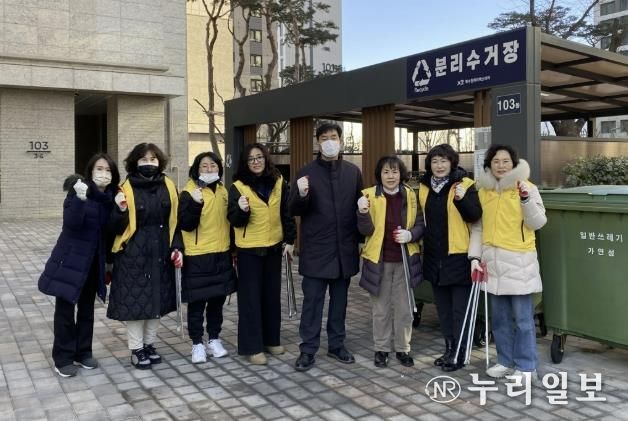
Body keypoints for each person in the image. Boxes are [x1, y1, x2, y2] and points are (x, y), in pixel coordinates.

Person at [289, 122, 363, 372]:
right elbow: (293, 209)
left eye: (333, 137)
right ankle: (308, 349)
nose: (329, 141)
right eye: (324, 138)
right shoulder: (305, 173)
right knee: (313, 302)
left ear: (340, 141)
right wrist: (301, 194)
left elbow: (360, 208)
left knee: (339, 302)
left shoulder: (353, 172)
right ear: (317, 142)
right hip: (316, 250)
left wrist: (360, 241)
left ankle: (336, 344)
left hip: (344, 250)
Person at [469, 144, 547, 381]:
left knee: (523, 320)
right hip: (491, 262)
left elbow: (538, 222)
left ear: (513, 164)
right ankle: (505, 361)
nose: (501, 166)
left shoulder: (527, 188)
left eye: (505, 161)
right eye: (496, 161)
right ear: (489, 165)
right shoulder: (484, 191)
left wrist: (525, 200)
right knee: (499, 319)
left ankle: (527, 367)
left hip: (518, 262)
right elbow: (478, 227)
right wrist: (474, 257)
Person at [39, 153, 120, 377]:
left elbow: (110, 233)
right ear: (90, 171)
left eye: (108, 170)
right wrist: (80, 200)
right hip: (70, 260)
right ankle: (63, 357)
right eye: (99, 169)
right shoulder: (78, 191)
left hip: (94, 263)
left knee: (87, 310)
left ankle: (83, 352)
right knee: (65, 310)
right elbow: (72, 223)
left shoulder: (111, 198)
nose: (103, 174)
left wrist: (109, 262)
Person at [107, 143, 183, 370]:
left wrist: (177, 247)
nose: (148, 163)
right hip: (133, 256)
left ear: (159, 162)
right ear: (134, 162)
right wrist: (119, 210)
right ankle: (136, 348)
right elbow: (115, 228)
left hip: (161, 253)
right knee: (136, 304)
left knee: (156, 301)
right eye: (143, 159)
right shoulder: (124, 189)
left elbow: (176, 221)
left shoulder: (169, 186)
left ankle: (149, 344)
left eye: (153, 159)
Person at [227, 143, 296, 365]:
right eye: (251, 159)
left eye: (259, 157)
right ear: (245, 163)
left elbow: (286, 212)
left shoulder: (278, 182)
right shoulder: (238, 187)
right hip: (249, 250)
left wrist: (290, 240)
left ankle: (271, 340)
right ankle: (252, 347)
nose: (256, 162)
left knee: (271, 296)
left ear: (266, 159)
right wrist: (242, 210)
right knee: (251, 300)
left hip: (274, 247)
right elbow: (234, 220)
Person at [418, 144, 482, 372]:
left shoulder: (465, 185)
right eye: (435, 161)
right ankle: (449, 349)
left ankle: (460, 353)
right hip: (434, 258)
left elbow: (475, 216)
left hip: (459, 256)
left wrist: (462, 199)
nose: (439, 165)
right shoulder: (424, 187)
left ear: (452, 162)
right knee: (443, 310)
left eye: (444, 160)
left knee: (459, 311)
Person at [357, 156, 424, 368]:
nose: (391, 176)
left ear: (400, 174)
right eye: (386, 172)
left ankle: (403, 348)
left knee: (405, 309)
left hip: (404, 260)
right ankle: (382, 349)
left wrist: (411, 235)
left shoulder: (410, 195)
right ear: (380, 175)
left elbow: (421, 224)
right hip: (379, 261)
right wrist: (362, 212)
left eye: (394, 171)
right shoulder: (368, 195)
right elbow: (364, 230)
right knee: (381, 310)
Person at [178, 152, 236, 363]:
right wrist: (195, 203)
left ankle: (214, 339)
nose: (209, 169)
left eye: (213, 165)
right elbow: (185, 224)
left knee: (217, 302)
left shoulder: (223, 191)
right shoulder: (188, 192)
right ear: (196, 169)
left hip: (221, 253)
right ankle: (197, 344)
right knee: (197, 304)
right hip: (197, 255)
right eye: (204, 166)